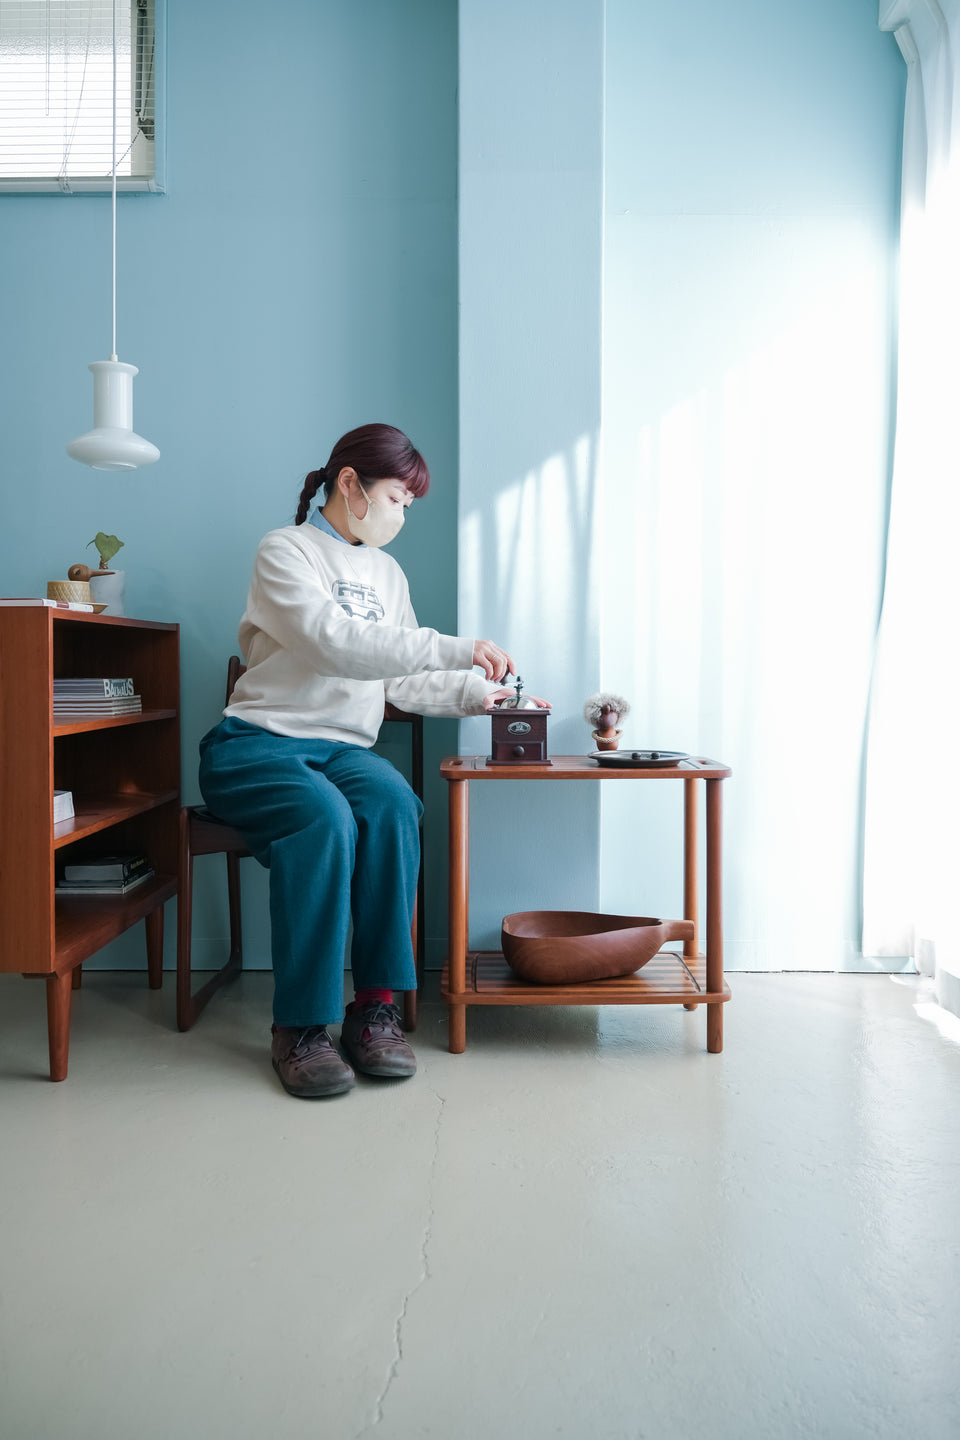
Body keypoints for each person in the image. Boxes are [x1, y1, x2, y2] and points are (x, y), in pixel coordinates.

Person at [198, 423, 548, 1099]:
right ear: (352, 485)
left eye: (409, 506)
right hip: (255, 744)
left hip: (341, 749)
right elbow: (335, 644)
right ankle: (299, 1028)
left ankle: (375, 1008)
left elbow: (401, 681)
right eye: (397, 498)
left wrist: (489, 696)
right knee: (324, 819)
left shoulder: (386, 573)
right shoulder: (286, 551)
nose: (402, 516)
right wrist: (456, 646)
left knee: (394, 806)